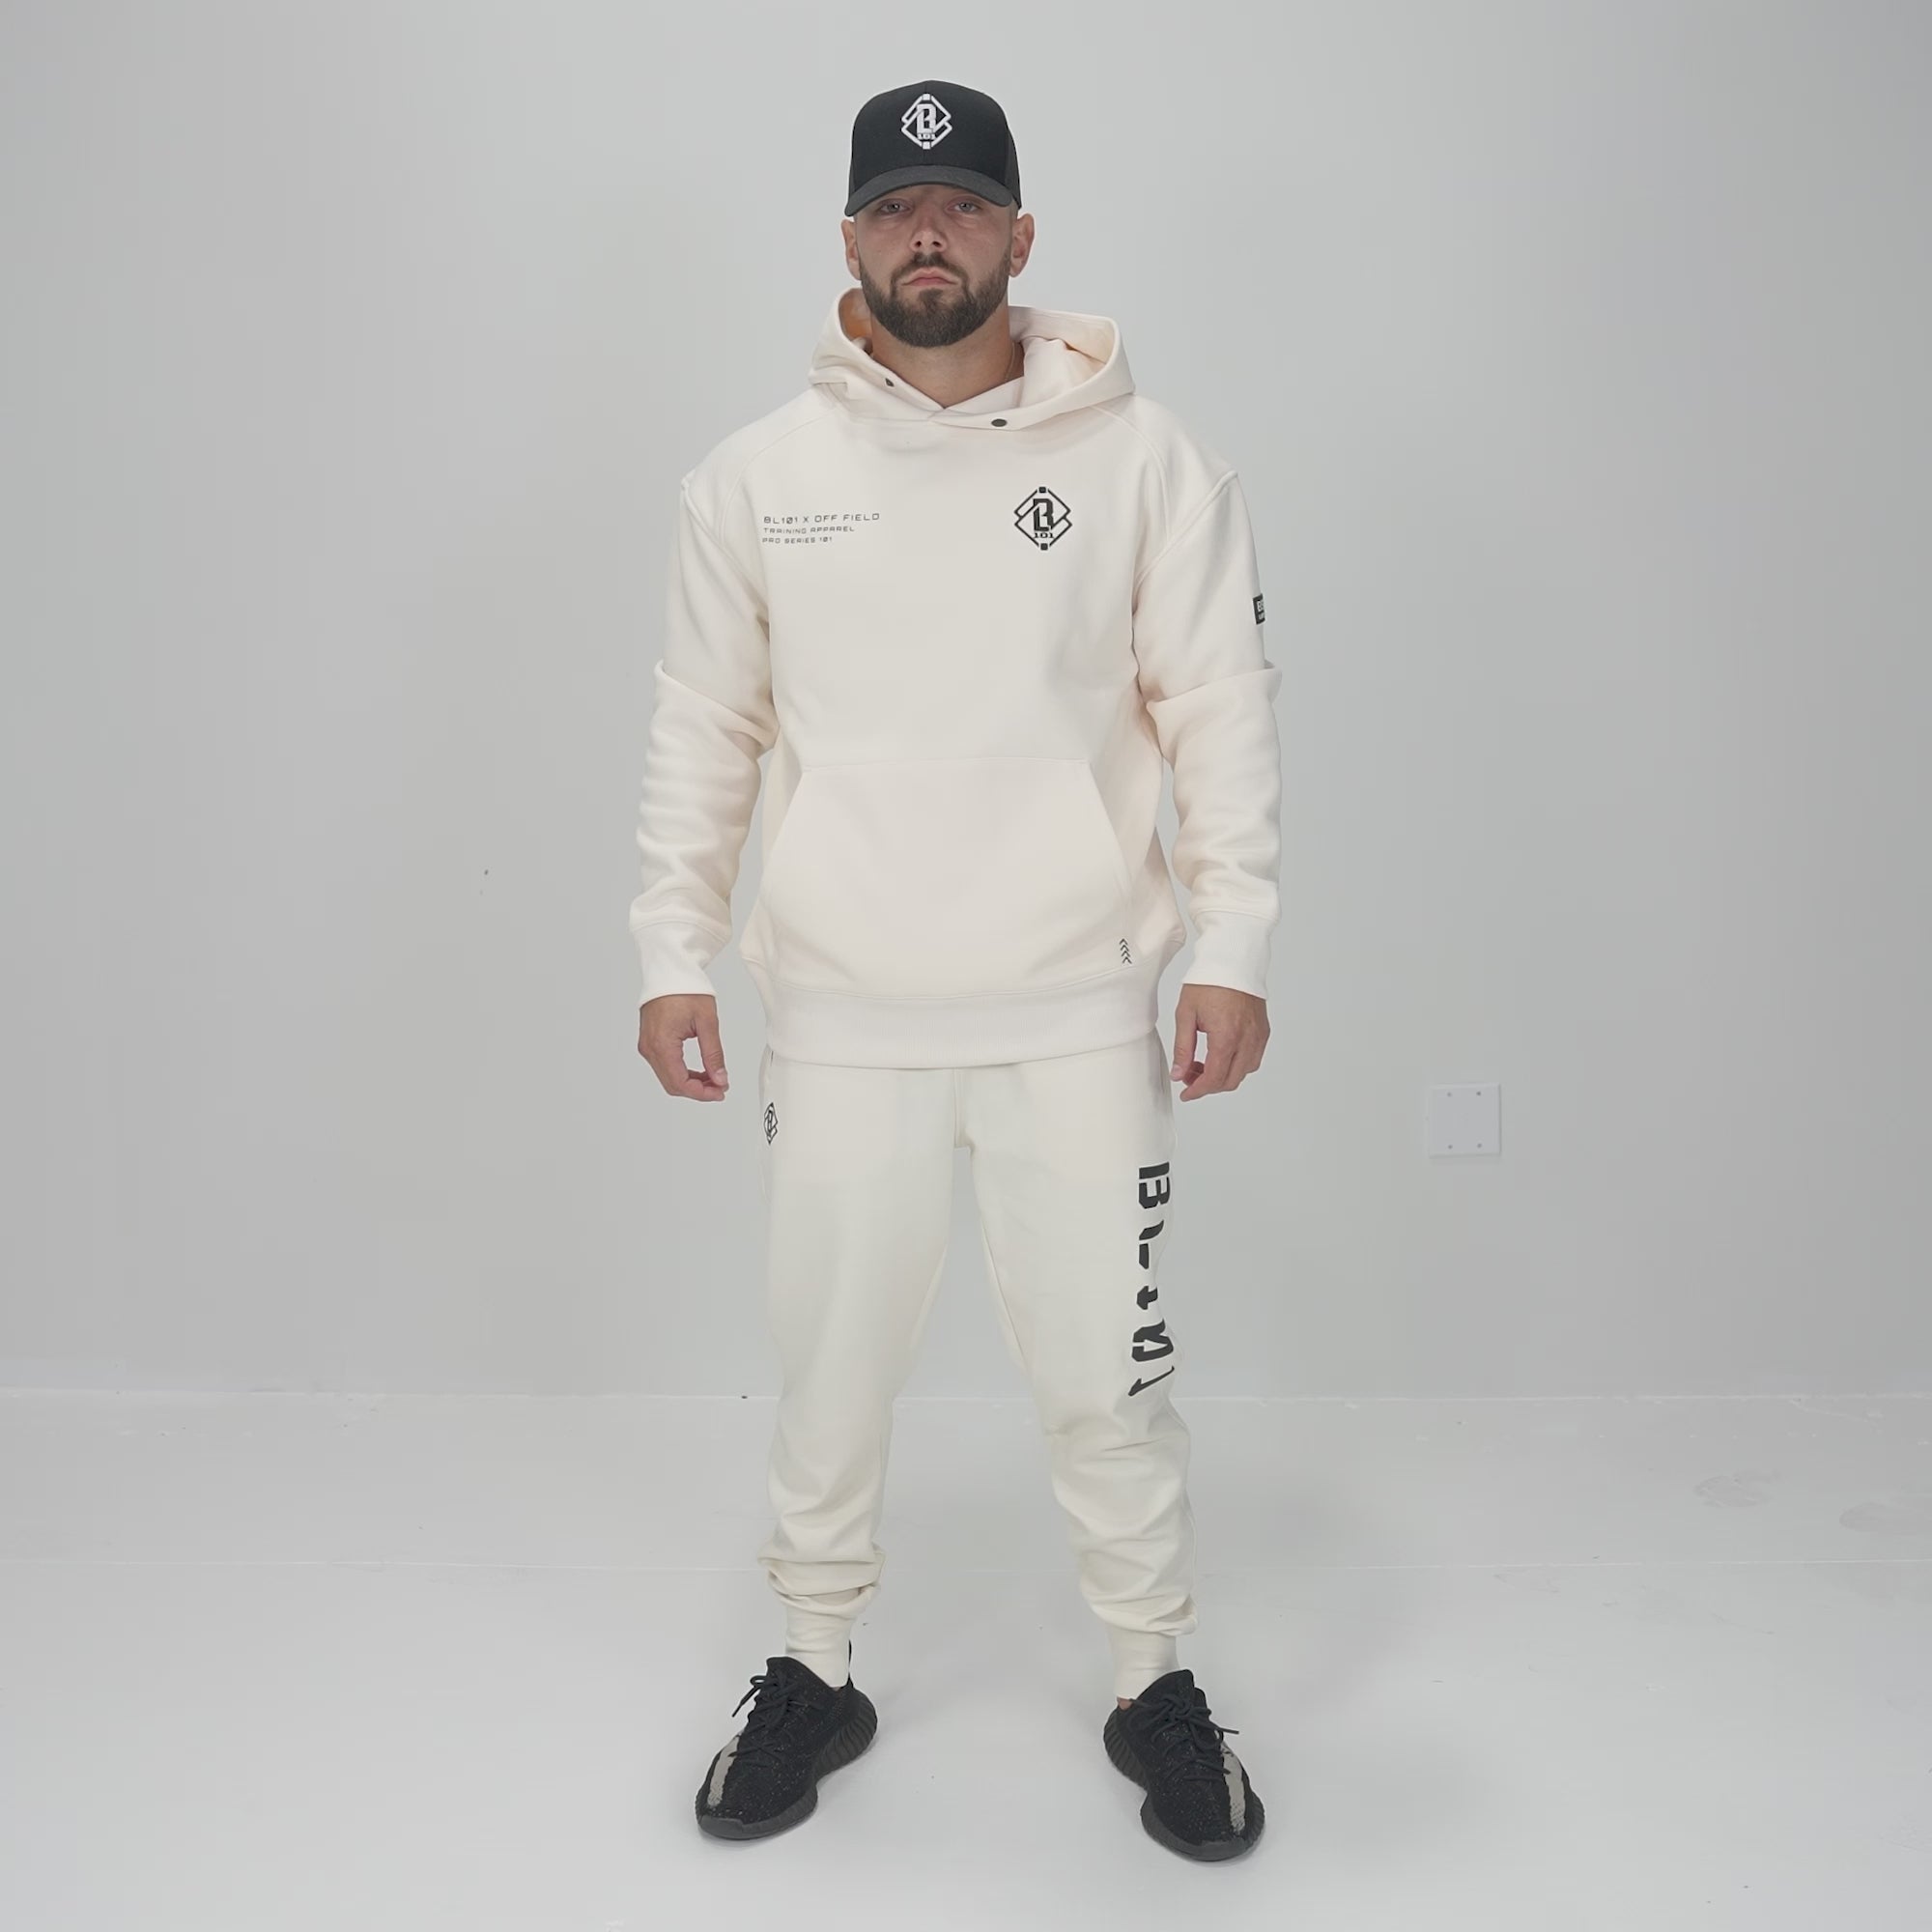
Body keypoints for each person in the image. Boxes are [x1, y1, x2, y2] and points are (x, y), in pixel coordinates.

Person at [629, 78, 1281, 1861]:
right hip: (846, 1014)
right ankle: (812, 1665)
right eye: (900, 208)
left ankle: (1152, 1678)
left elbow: (1218, 713)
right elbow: (705, 729)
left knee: (1110, 1378)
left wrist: (1232, 943)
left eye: (967, 203)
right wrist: (672, 950)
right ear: (850, 238)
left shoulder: (1151, 465)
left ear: (1020, 233)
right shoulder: (755, 480)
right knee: (829, 1376)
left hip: (1077, 1009)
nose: (933, 234)